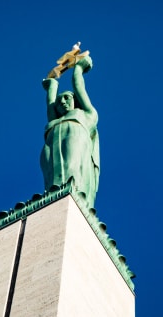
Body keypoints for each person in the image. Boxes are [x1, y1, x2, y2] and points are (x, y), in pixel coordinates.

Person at [40, 55, 100, 207]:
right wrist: (52, 86)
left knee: (71, 166)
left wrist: (79, 68)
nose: (63, 102)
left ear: (75, 100)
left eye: (67, 98)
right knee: (51, 175)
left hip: (75, 138)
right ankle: (53, 197)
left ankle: (74, 194)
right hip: (51, 144)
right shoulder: (55, 120)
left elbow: (78, 87)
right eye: (59, 102)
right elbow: (50, 104)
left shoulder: (86, 115)